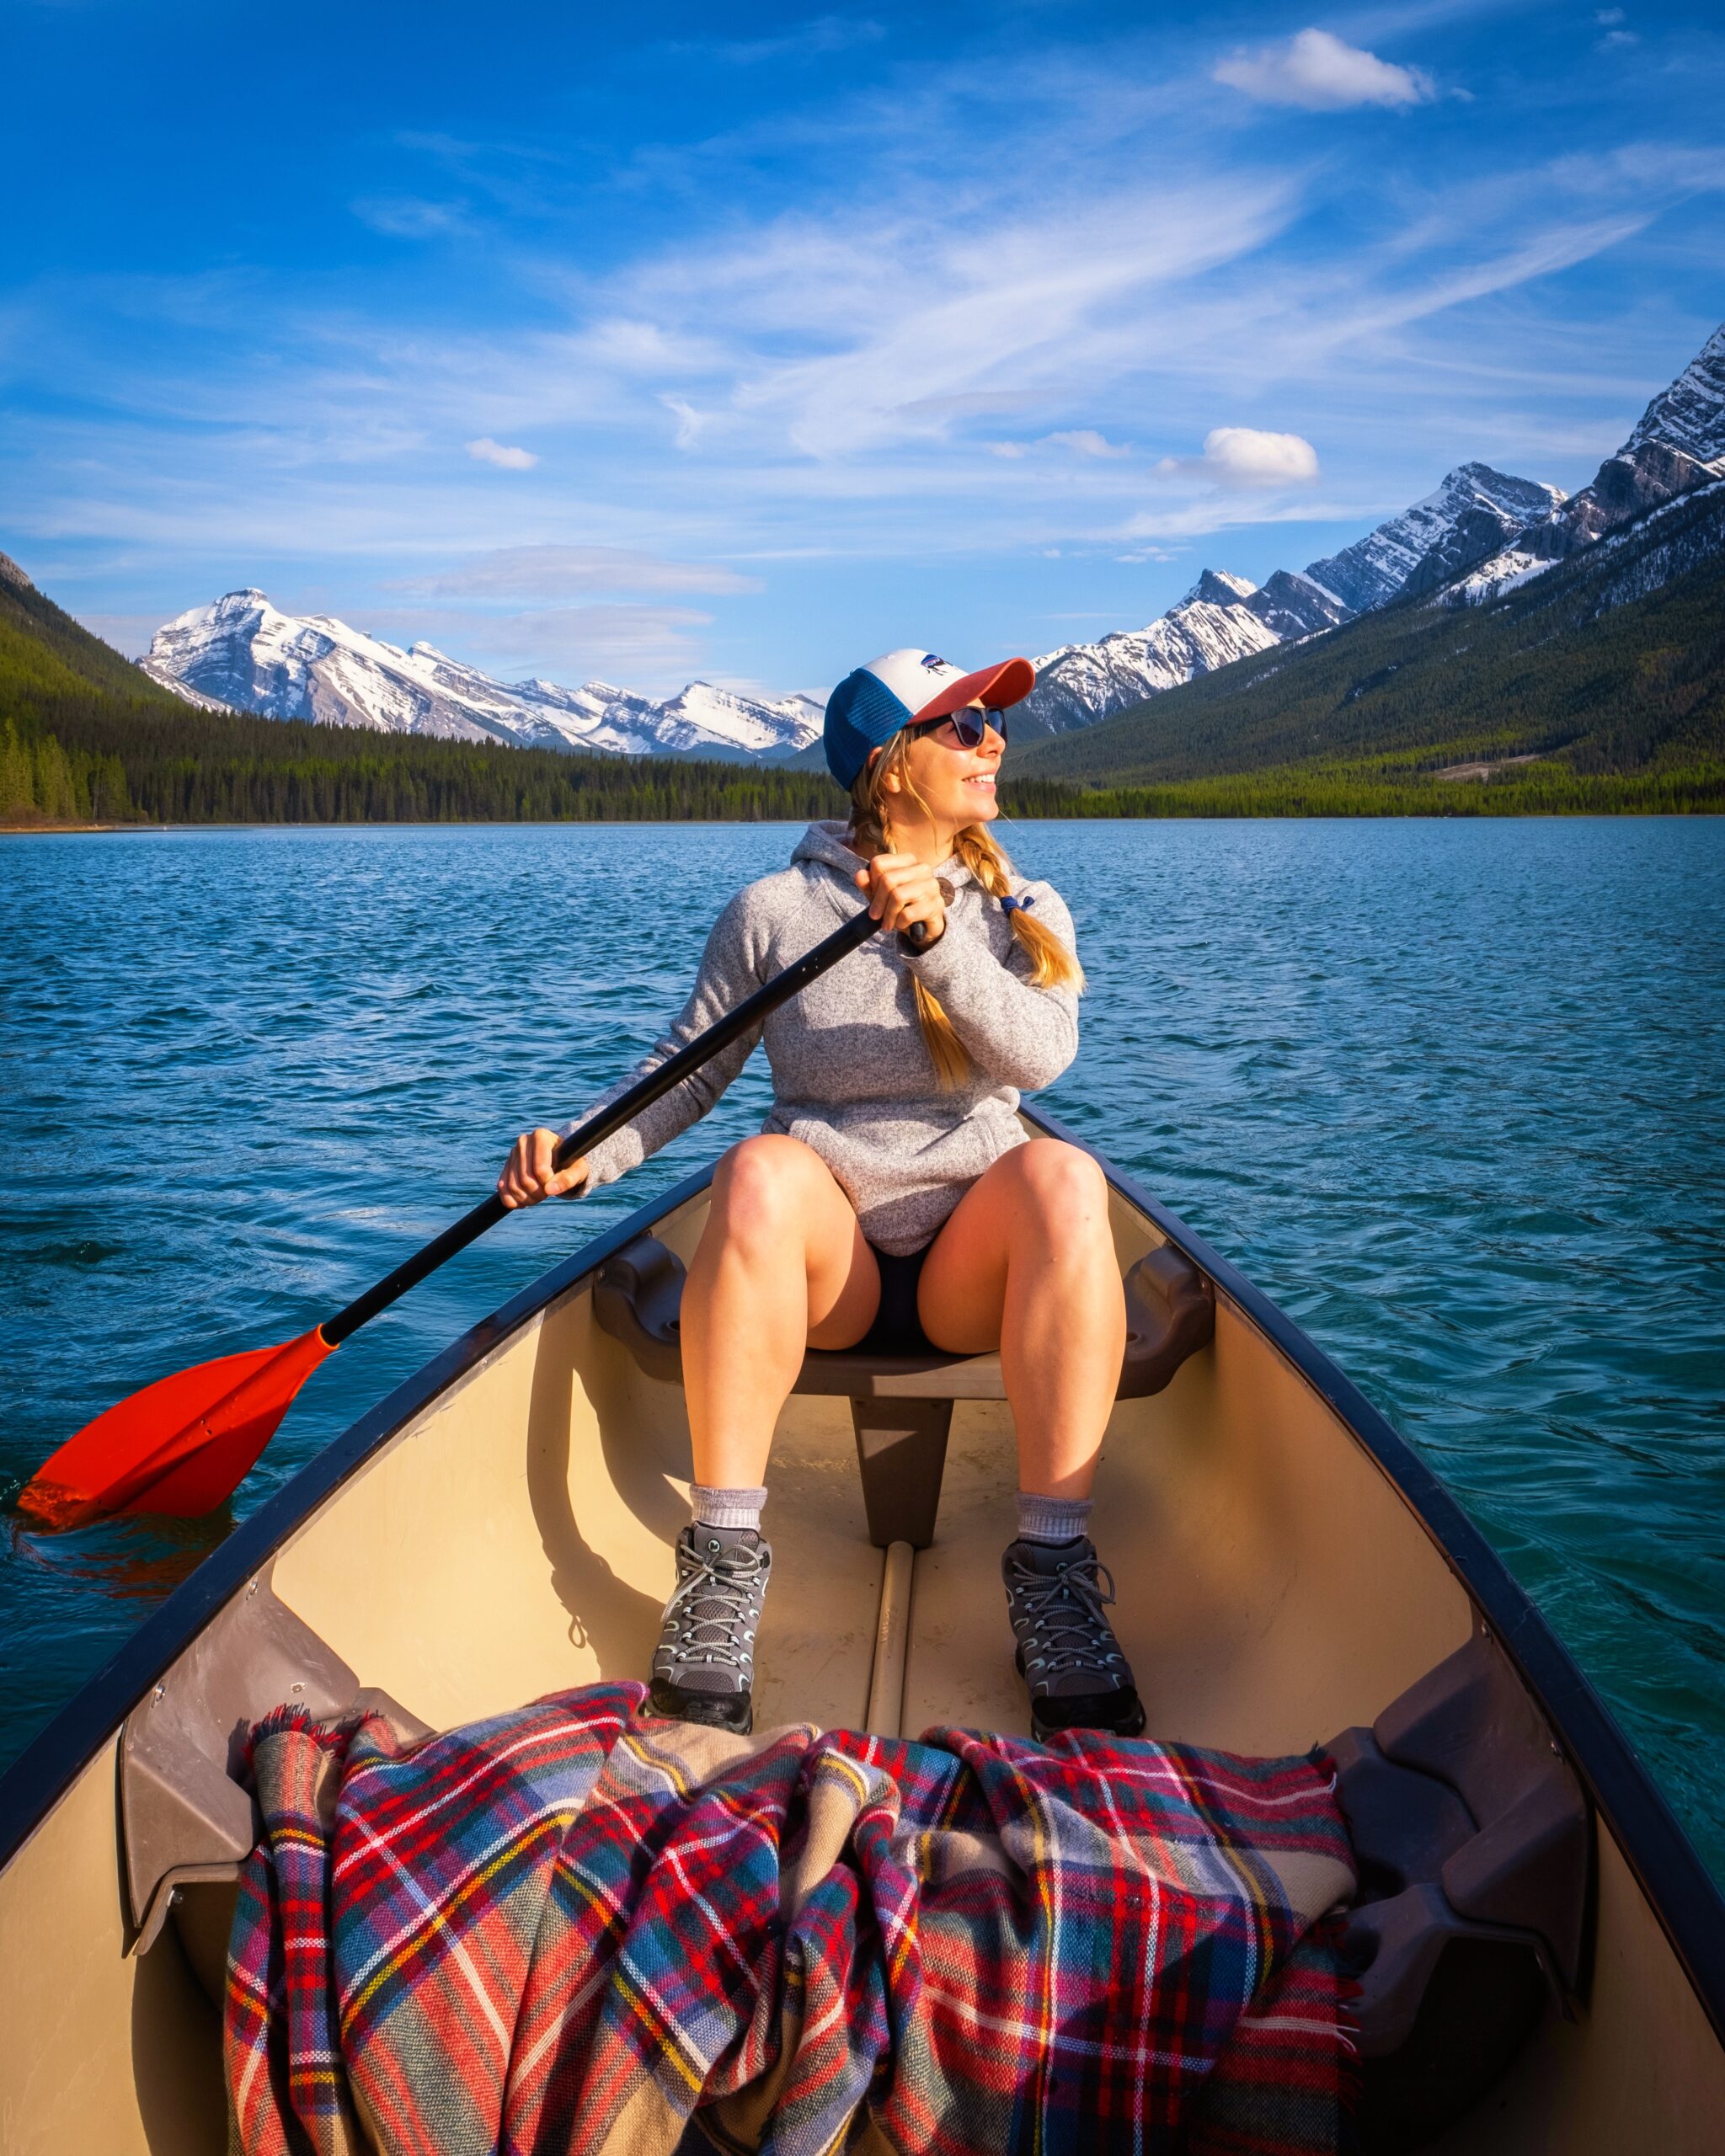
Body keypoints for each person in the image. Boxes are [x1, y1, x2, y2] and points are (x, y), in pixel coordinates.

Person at [498, 648, 1141, 1743]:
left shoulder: (1021, 905)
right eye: (965, 726)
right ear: (890, 767)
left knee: (1068, 1177)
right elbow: (689, 1071)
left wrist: (937, 941)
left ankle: (1054, 1574)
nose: (995, 743)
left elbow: (1042, 1055)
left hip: (966, 1269)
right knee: (752, 1170)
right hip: (827, 1267)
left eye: (994, 724)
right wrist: (585, 1153)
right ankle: (723, 1571)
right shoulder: (774, 912)